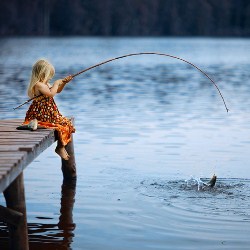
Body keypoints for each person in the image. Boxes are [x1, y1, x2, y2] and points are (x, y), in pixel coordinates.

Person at [23, 59, 75, 160]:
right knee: (62, 125)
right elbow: (51, 93)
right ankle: (60, 147)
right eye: (49, 75)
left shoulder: (45, 84)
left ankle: (60, 147)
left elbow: (57, 91)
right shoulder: (39, 85)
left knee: (67, 123)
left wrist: (64, 83)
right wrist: (56, 83)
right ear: (42, 74)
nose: (50, 78)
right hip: (42, 113)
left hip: (50, 112)